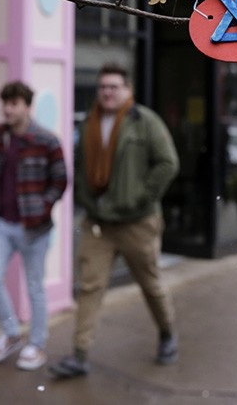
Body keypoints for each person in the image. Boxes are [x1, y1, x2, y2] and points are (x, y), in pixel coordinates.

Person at [49, 62, 180, 378]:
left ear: (127, 90)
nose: (107, 92)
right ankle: (79, 354)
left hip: (138, 223)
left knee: (151, 284)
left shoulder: (144, 121)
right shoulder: (88, 123)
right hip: (99, 224)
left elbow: (168, 163)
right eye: (103, 87)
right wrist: (85, 198)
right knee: (90, 287)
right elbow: (80, 165)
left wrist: (140, 197)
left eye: (114, 87)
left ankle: (167, 332)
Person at [0, 81, 68, 371]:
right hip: (3, 224)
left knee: (34, 287)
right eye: (5, 103)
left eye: (14, 104)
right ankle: (11, 333)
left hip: (34, 227)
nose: (8, 109)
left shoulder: (46, 140)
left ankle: (38, 344)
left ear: (27, 107)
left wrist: (43, 207)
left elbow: (60, 180)